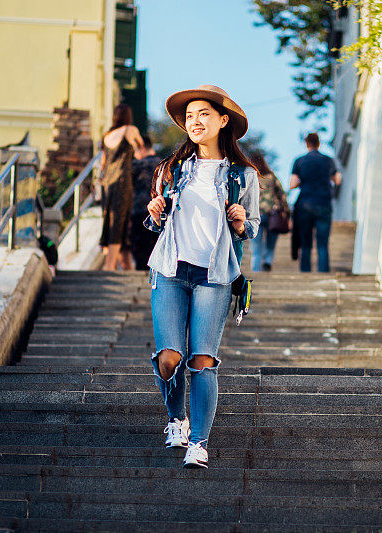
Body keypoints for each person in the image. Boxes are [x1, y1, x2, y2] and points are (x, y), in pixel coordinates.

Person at [144, 85, 259, 468]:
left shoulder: (244, 175)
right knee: (168, 358)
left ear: (222, 121)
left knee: (203, 359)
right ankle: (176, 420)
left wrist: (241, 221)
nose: (195, 121)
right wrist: (156, 210)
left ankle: (198, 441)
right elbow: (154, 223)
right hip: (171, 270)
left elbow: (251, 229)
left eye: (204, 114)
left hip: (215, 276)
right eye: (190, 115)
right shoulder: (171, 169)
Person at [99, 103, 143, 271]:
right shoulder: (129, 129)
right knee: (118, 222)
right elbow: (140, 149)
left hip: (107, 183)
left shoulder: (107, 135)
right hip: (122, 182)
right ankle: (109, 265)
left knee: (111, 220)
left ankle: (127, 265)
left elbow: (103, 163)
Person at [289, 132, 341, 272]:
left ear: (307, 144)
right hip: (324, 202)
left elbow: (292, 184)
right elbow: (337, 180)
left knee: (306, 243)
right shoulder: (328, 160)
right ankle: (323, 273)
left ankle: (305, 273)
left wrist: (303, 182)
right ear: (319, 143)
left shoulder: (299, 161)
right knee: (322, 242)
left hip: (305, 204)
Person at [249, 152, 288, 272]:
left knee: (256, 246)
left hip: (256, 214)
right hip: (273, 214)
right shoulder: (271, 177)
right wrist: (286, 211)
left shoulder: (250, 177)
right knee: (271, 243)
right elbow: (281, 194)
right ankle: (267, 261)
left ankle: (256, 270)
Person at [129, 135, 160, 270]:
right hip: (160, 211)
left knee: (140, 248)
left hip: (139, 209)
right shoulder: (164, 163)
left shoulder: (136, 165)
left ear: (141, 147)